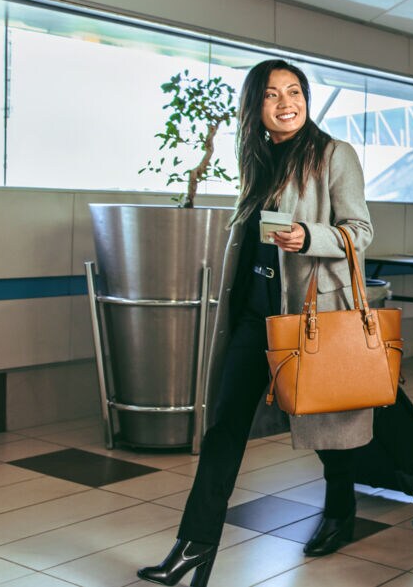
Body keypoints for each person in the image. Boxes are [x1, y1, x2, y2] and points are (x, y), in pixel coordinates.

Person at [138, 59, 376, 586]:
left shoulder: (335, 154)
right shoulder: (258, 157)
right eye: (272, 94)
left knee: (323, 421)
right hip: (253, 314)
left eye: (295, 92)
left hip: (308, 313)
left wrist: (309, 237)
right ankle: (195, 547)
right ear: (256, 107)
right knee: (224, 428)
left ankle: (341, 509)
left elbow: (359, 231)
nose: (286, 102)